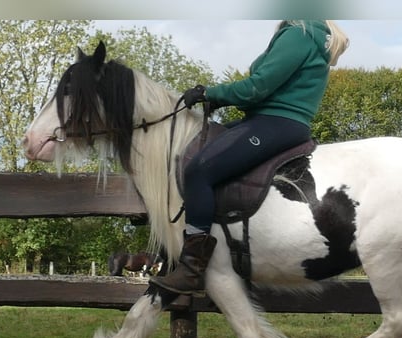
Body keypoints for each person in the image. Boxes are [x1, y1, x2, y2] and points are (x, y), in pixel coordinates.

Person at [150, 20, 350, 297]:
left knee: (198, 171)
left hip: (274, 123)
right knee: (194, 151)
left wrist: (211, 93)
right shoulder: (309, 36)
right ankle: (183, 251)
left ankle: (192, 269)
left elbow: (258, 87)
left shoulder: (298, 35)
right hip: (271, 121)